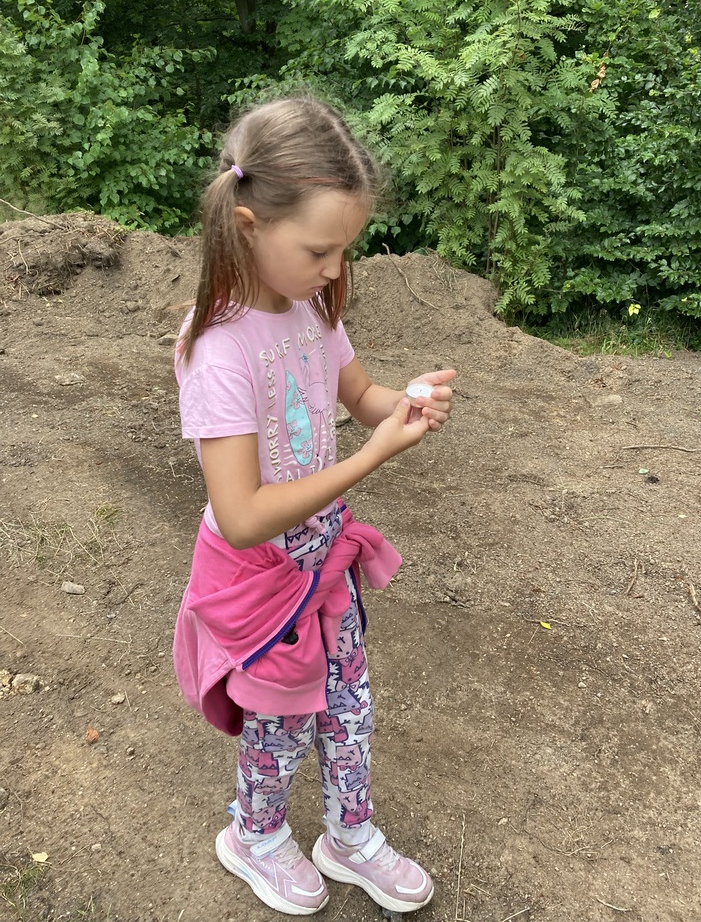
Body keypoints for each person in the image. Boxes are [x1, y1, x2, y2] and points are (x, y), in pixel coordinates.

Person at [172, 95, 456, 917]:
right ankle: (254, 837)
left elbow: (359, 395)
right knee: (281, 720)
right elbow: (242, 515)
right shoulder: (218, 351)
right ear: (250, 225)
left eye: (344, 250)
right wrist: (368, 459)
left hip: (323, 556)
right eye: (320, 250)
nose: (335, 270)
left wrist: (404, 403)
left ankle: (349, 834)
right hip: (258, 572)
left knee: (350, 706)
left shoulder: (309, 311)